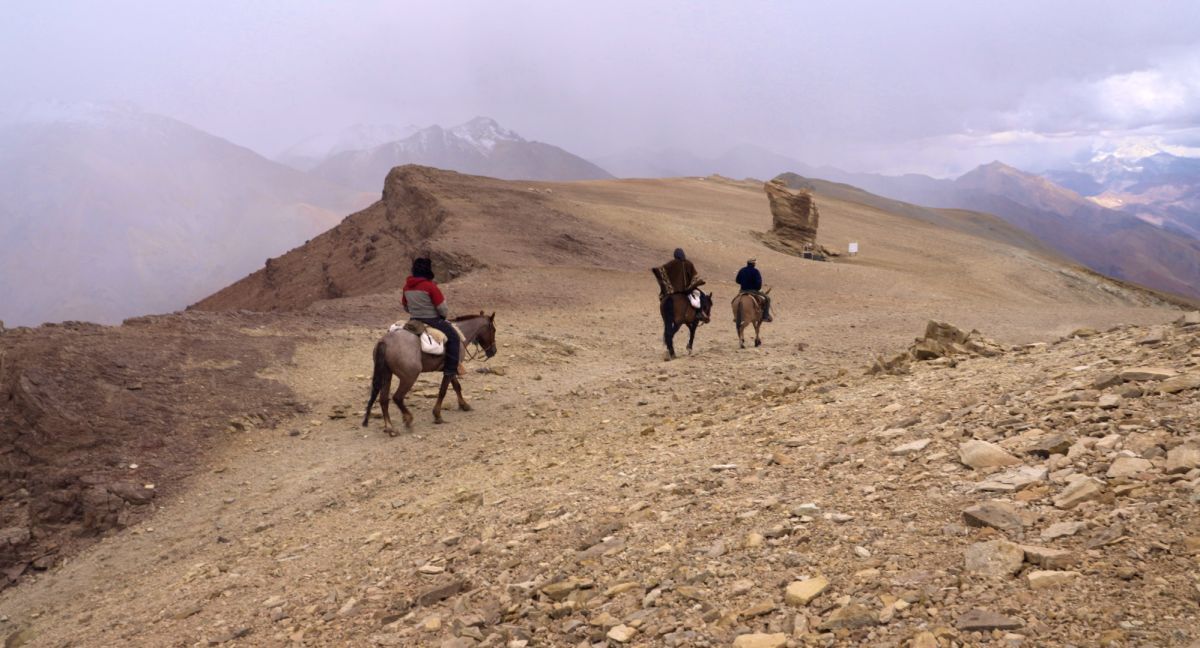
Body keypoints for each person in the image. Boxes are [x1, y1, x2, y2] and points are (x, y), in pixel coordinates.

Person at [402, 257, 464, 377]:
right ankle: (451, 370)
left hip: (414, 320)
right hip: (432, 320)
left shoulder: (406, 287)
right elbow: (442, 308)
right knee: (454, 338)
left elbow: (405, 306)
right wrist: (442, 316)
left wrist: (415, 311)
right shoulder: (430, 286)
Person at [659, 248, 704, 318]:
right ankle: (699, 313)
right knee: (702, 296)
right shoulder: (689, 263)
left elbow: (663, 273)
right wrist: (696, 283)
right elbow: (694, 276)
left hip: (674, 289)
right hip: (687, 290)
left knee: (663, 296)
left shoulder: (672, 263)